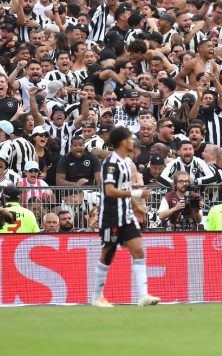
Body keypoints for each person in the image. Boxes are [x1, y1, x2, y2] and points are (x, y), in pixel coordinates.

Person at [91, 126, 160, 308]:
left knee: (138, 251)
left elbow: (126, 188)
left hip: (127, 215)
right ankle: (97, 297)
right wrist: (137, 195)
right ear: (123, 142)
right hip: (111, 216)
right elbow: (110, 191)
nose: (133, 142)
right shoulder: (111, 163)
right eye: (130, 139)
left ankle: (143, 295)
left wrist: (137, 208)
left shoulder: (126, 163)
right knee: (108, 254)